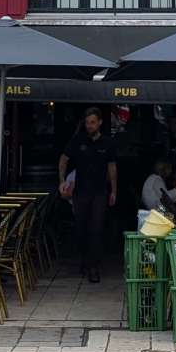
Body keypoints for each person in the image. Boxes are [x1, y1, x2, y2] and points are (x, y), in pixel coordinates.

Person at [58, 108, 117, 283]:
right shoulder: (78, 140)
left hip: (99, 192)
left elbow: (112, 167)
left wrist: (114, 190)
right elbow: (63, 159)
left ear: (99, 123)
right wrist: (62, 180)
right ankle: (85, 259)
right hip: (80, 192)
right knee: (81, 228)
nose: (89, 126)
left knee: (96, 229)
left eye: (92, 122)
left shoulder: (107, 143)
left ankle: (93, 267)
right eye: (87, 123)